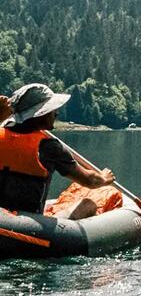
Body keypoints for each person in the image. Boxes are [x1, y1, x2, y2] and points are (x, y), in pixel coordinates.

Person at [0, 83, 116, 215]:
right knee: (88, 204)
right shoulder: (50, 147)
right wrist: (104, 178)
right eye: (51, 110)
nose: (56, 114)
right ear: (39, 114)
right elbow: (89, 180)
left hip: (4, 220)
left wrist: (1, 116)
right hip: (29, 225)